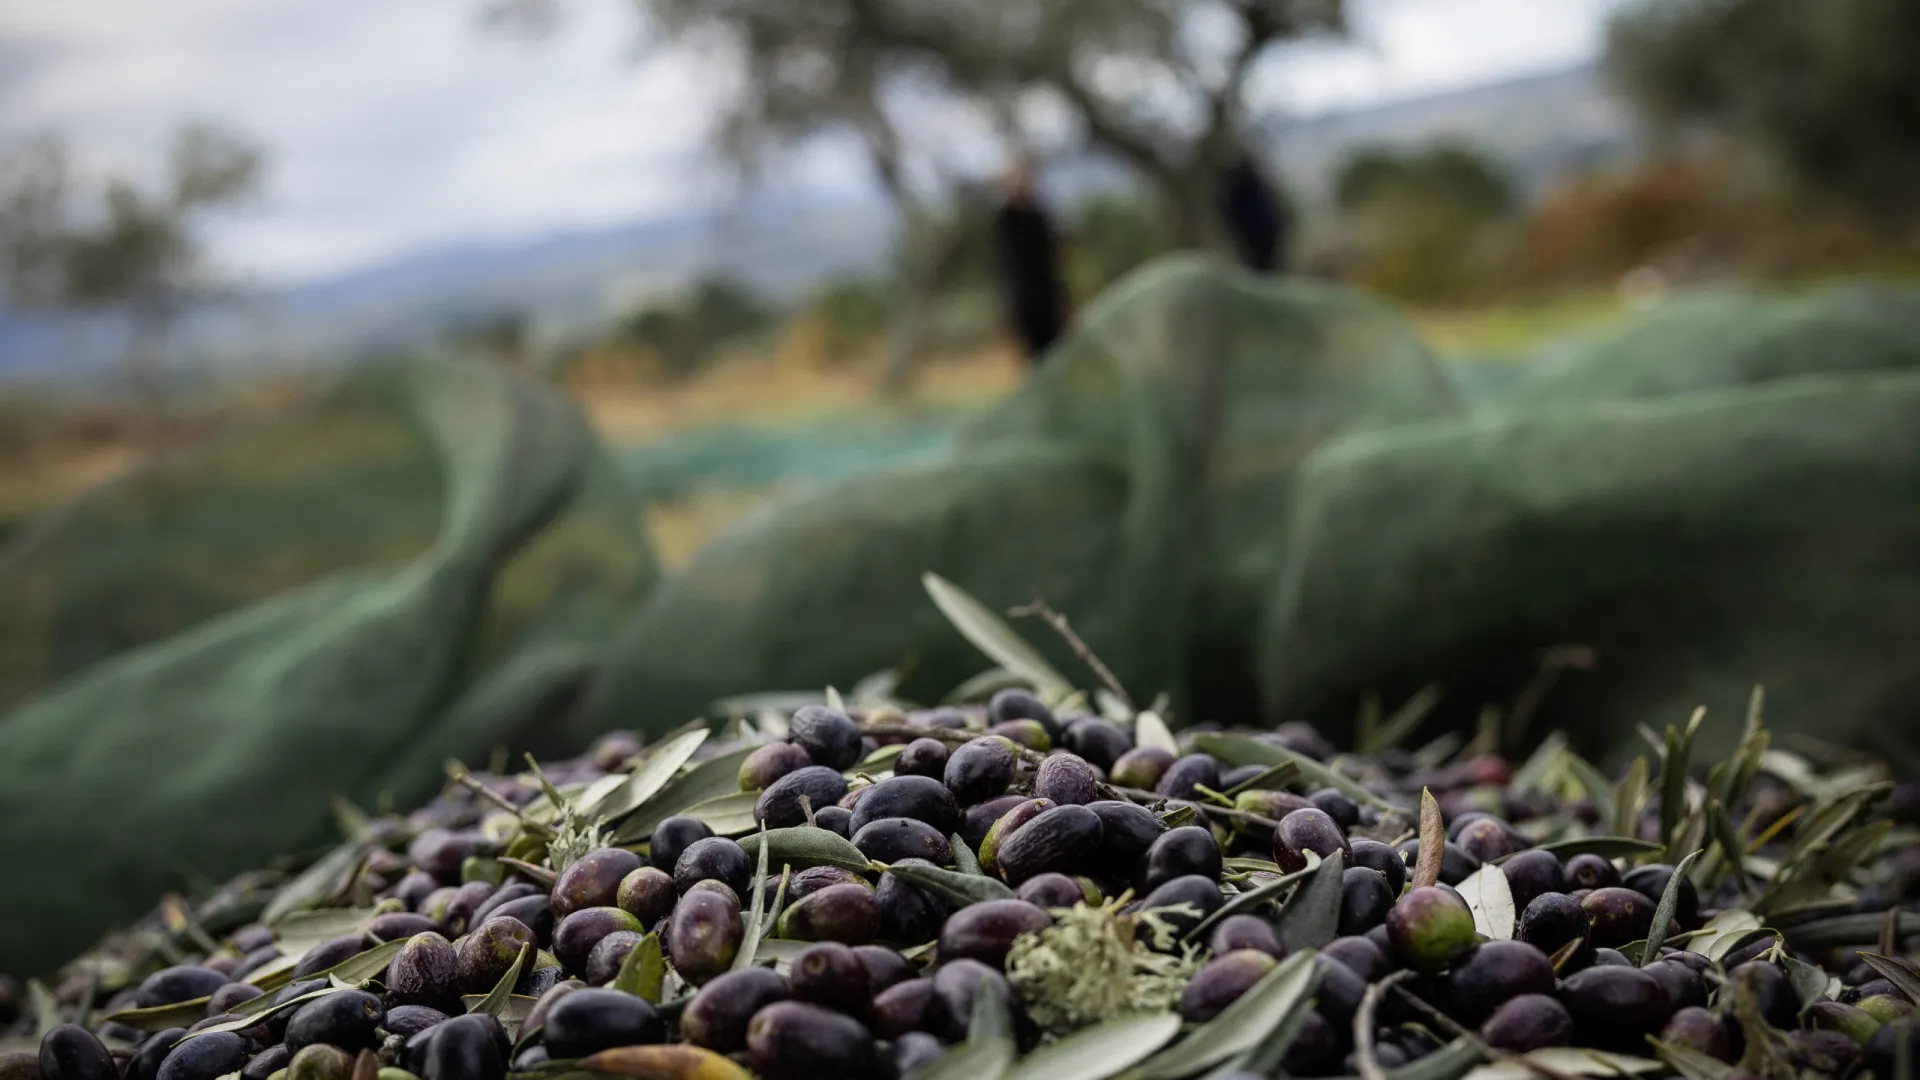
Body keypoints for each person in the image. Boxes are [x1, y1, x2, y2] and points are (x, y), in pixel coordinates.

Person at [991, 160, 1069, 365]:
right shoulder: (1006, 219)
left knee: (1058, 353)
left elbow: (1055, 253)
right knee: (1036, 358)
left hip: (1049, 297)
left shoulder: (1040, 216)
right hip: (1025, 302)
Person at [1217, 152, 1290, 274]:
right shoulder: (1239, 186)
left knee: (1266, 270)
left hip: (1264, 235)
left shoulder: (1250, 184)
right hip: (1255, 237)